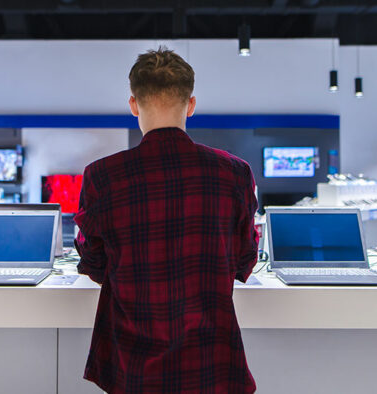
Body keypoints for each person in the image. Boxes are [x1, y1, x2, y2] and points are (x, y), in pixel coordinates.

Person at [75, 47, 259, 393]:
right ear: (190, 104)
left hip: (133, 366)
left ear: (134, 105)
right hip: (211, 361)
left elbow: (95, 264)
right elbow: (244, 260)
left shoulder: (102, 176)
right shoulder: (234, 173)